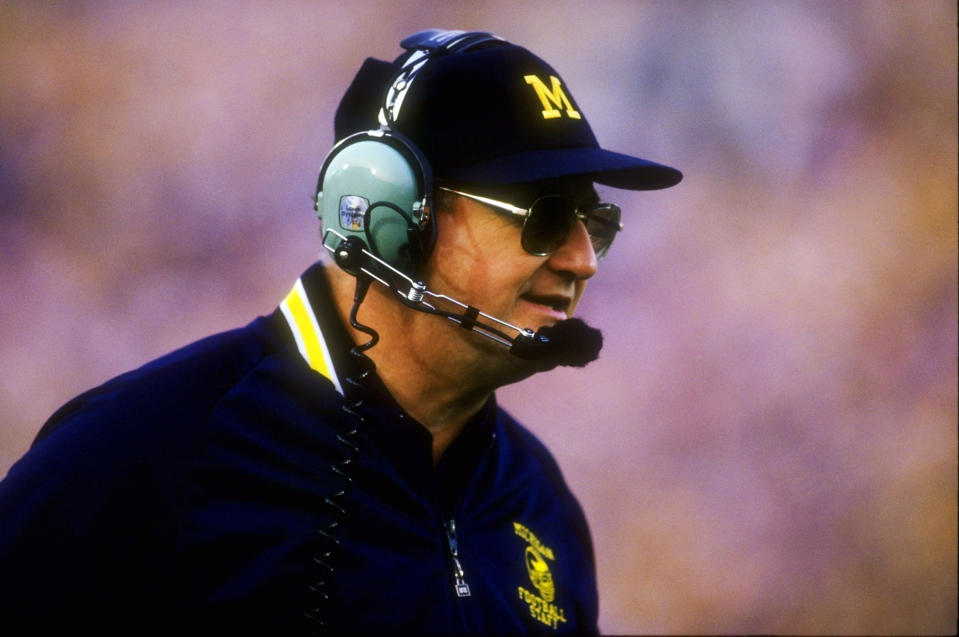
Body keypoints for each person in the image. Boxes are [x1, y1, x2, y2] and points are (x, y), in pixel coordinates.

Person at [0, 29, 681, 634]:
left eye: (595, 225)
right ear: (387, 217)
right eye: (542, 217)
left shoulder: (540, 497)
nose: (580, 260)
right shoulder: (142, 451)